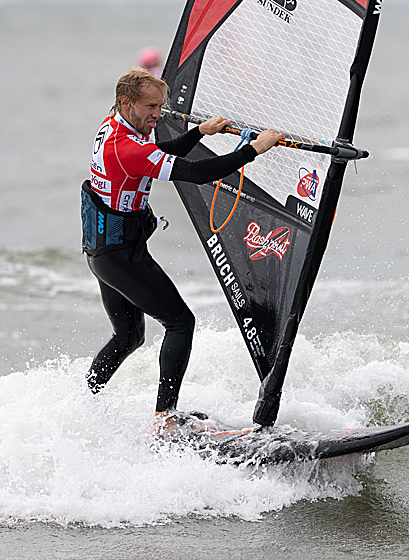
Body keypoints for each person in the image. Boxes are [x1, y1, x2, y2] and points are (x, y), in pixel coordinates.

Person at [80, 66, 282, 436]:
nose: (159, 114)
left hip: (103, 250)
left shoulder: (113, 128)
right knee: (180, 322)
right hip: (121, 254)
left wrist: (198, 133)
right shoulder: (126, 147)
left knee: (128, 337)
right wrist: (254, 150)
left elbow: (156, 155)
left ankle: (83, 405)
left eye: (162, 105)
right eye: (152, 106)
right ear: (126, 103)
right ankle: (166, 419)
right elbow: (197, 173)